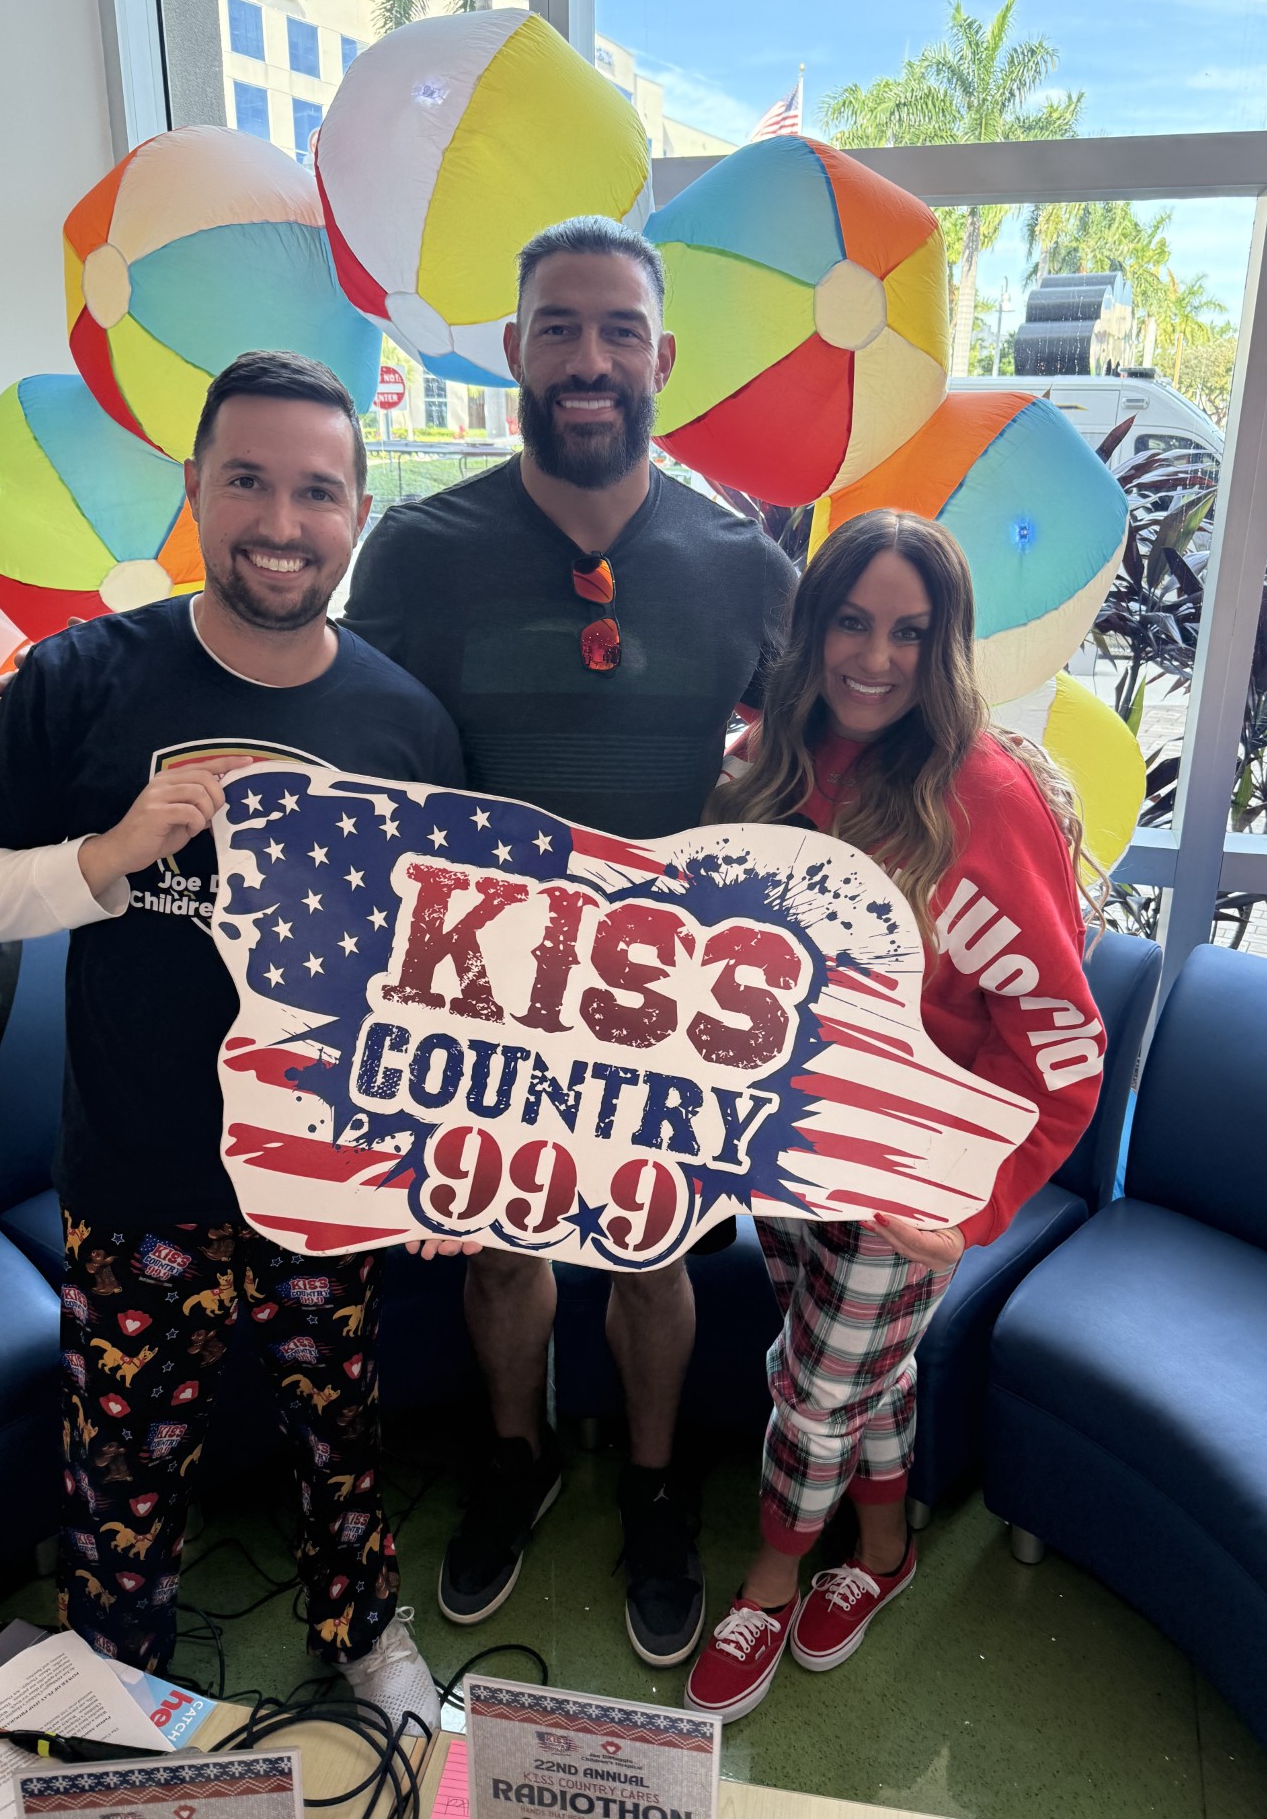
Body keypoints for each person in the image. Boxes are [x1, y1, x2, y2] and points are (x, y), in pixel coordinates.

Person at [0, 352, 467, 1724]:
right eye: (248, 481)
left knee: (339, 1434)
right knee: (124, 1465)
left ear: (355, 514)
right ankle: (115, 1680)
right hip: (137, 1172)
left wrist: (447, 1158)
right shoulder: (77, 681)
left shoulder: (406, 723)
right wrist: (103, 857)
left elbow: (435, 983)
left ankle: (361, 1630)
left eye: (316, 491)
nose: (280, 522)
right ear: (193, 490)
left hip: (320, 1182)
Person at [342, 216, 797, 1667]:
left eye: (616, 332)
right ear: (515, 353)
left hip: (671, 991)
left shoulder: (743, 562)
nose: (588, 360)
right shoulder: (418, 549)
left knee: (654, 1256)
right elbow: (367, 766)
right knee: (496, 1253)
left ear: (659, 357)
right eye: (558, 328)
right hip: (477, 984)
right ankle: (516, 1455)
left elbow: (820, 753)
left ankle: (656, 1489)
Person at [681, 509, 1107, 1723]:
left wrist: (982, 1198)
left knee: (811, 1392)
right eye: (853, 624)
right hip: (784, 1153)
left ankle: (771, 1578)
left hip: (915, 1170)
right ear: (810, 632)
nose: (874, 658)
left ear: (947, 646)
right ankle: (880, 1556)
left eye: (910, 634)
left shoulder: (990, 795)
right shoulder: (766, 763)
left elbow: (1065, 1042)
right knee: (866, 1373)